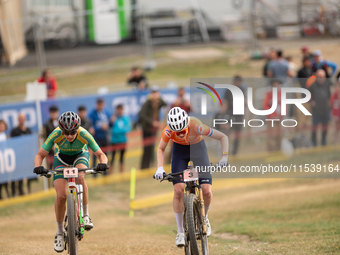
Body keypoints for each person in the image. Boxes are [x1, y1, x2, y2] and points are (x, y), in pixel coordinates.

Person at [33, 111, 108, 252]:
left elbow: (101, 154)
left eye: (72, 132)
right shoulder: (56, 134)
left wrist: (102, 163)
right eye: (65, 132)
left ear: (77, 128)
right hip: (61, 159)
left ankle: (85, 215)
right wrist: (38, 167)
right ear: (61, 130)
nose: (69, 136)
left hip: (80, 156)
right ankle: (60, 233)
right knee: (61, 196)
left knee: (80, 177)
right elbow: (40, 155)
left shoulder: (84, 133)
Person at [154, 107, 229, 247]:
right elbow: (161, 148)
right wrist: (159, 167)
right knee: (178, 191)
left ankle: (204, 217)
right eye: (177, 133)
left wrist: (224, 157)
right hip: (180, 153)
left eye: (182, 131)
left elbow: (222, 136)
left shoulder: (197, 126)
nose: (180, 135)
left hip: (197, 149)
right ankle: (181, 232)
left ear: (186, 126)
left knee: (207, 191)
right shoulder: (168, 131)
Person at [139, 86, 167, 169]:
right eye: (153, 93)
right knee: (146, 148)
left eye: (156, 92)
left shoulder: (158, 102)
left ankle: (151, 166)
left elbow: (165, 104)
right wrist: (152, 122)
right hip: (147, 128)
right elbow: (142, 115)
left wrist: (158, 98)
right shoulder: (147, 103)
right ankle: (144, 167)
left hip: (154, 129)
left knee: (152, 147)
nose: (155, 95)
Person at [223, 75, 247, 155]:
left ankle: (235, 153)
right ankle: (226, 151)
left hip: (239, 115)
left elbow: (245, 102)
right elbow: (225, 103)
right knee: (227, 134)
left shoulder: (242, 90)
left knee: (237, 135)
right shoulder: (228, 91)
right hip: (230, 115)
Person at [308, 69, 332, 146]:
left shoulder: (327, 84)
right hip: (316, 111)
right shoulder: (313, 85)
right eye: (319, 76)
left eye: (322, 76)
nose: (321, 78)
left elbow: (329, 95)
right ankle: (314, 142)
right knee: (315, 127)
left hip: (325, 109)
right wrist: (311, 101)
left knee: (325, 127)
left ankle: (323, 141)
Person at [10, 113, 32, 196]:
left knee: (26, 175)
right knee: (17, 176)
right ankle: (16, 192)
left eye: (23, 118)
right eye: (20, 118)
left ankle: (25, 190)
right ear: (18, 119)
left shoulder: (28, 130)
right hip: (17, 157)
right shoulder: (14, 131)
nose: (21, 120)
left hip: (26, 157)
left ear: (25, 119)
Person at [89, 98, 111, 170]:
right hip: (96, 138)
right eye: (99, 105)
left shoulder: (107, 112)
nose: (100, 106)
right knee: (96, 155)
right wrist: (100, 128)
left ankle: (105, 171)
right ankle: (95, 171)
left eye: (102, 105)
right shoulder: (92, 114)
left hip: (105, 137)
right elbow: (91, 127)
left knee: (105, 154)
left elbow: (110, 123)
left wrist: (111, 122)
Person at [110, 104, 131, 173]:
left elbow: (128, 128)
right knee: (112, 158)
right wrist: (120, 130)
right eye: (118, 109)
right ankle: (110, 173)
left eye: (121, 109)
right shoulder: (113, 118)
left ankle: (121, 173)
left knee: (122, 158)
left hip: (123, 141)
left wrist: (118, 130)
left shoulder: (125, 118)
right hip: (114, 141)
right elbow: (112, 130)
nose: (120, 111)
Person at [263, 79, 283, 151]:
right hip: (271, 118)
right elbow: (265, 106)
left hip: (279, 118)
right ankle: (272, 151)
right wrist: (272, 115)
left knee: (279, 135)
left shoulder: (281, 93)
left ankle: (278, 150)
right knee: (272, 135)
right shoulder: (268, 94)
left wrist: (282, 114)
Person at [43, 106, 59, 171]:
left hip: (60, 145)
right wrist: (52, 147)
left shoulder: (60, 122)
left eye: (55, 112)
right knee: (51, 165)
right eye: (52, 113)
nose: (54, 114)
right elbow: (46, 136)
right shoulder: (47, 124)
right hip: (51, 148)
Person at [0, 119, 10, 200]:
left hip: (5, 160)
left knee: (6, 178)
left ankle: (8, 192)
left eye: (2, 125)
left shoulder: (5, 136)